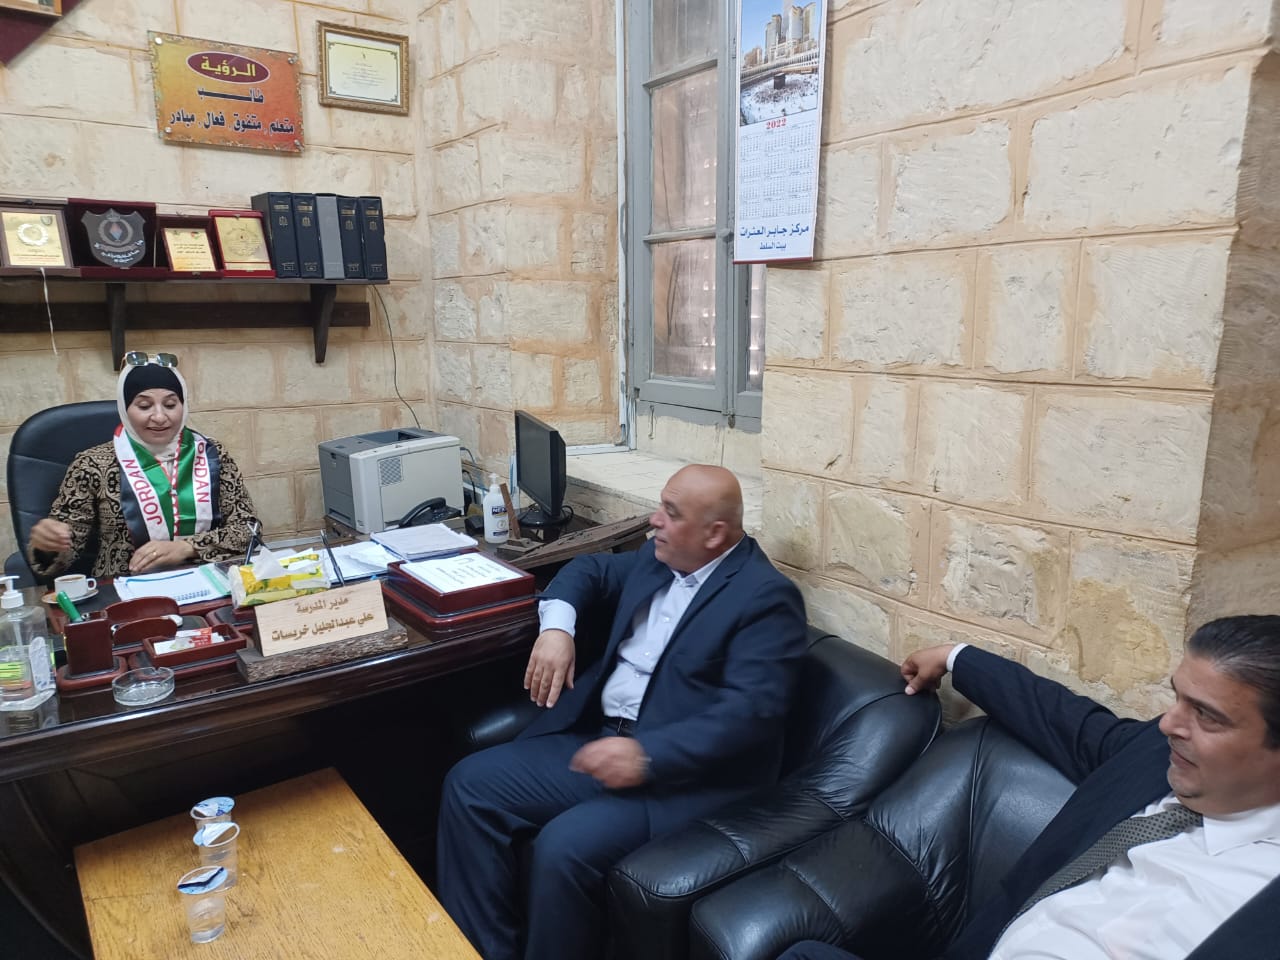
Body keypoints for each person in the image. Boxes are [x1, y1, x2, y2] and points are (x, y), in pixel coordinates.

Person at [436, 464, 808, 960]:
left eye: (671, 513)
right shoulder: (660, 556)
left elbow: (750, 715)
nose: (654, 520)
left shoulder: (766, 598)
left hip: (682, 780)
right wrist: (558, 629)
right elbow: (588, 570)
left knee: (563, 847)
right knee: (470, 784)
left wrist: (646, 754)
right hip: (601, 738)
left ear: (715, 534)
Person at [777, 615, 1280, 960]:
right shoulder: (1152, 756)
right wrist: (957, 657)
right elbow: (1067, 719)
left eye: (1207, 716)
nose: (1169, 724)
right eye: (1177, 698)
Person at [27, 351, 258, 579]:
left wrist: (187, 547)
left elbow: (248, 529)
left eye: (170, 404)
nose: (159, 417)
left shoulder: (211, 454)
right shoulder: (92, 464)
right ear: (125, 409)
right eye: (144, 406)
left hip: (209, 582)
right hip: (125, 586)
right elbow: (64, 553)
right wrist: (47, 546)